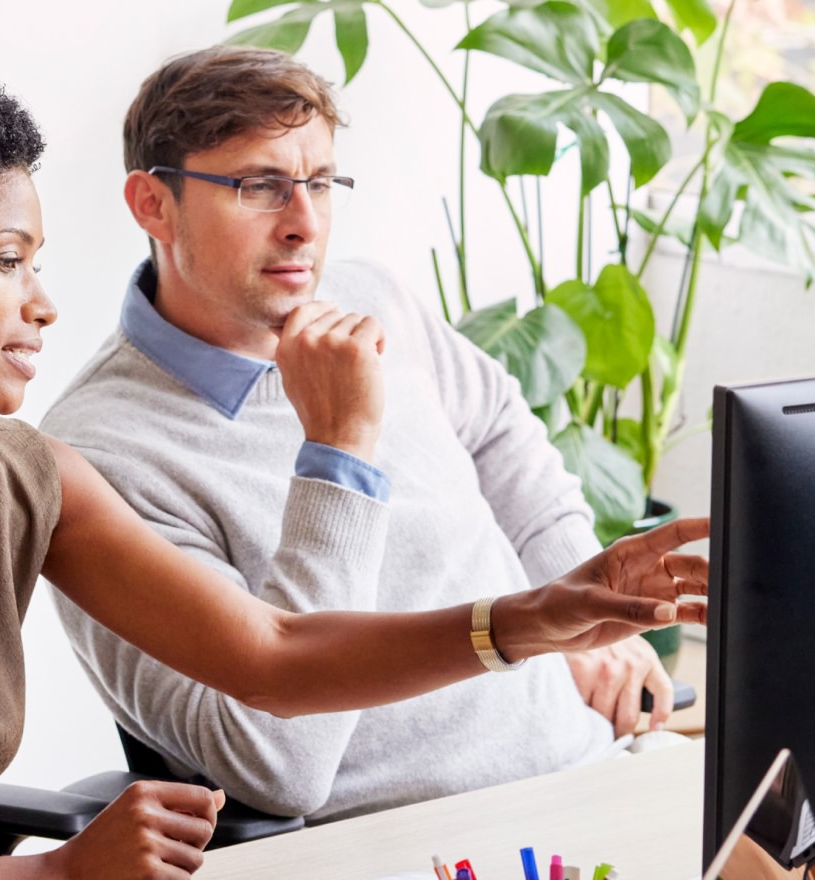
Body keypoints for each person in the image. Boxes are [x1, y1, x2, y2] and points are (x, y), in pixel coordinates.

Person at [0, 71, 708, 879]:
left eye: (40, 263)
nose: (46, 303)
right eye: (9, 261)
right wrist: (52, 870)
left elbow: (276, 655)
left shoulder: (22, 474)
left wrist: (538, 615)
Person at [40, 45, 687, 826]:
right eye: (260, 187)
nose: (305, 224)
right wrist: (339, 449)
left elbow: (498, 432)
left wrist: (582, 623)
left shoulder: (370, 297)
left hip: (585, 770)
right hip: (402, 842)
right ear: (153, 205)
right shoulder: (98, 455)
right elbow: (279, 766)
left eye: (318, 182)